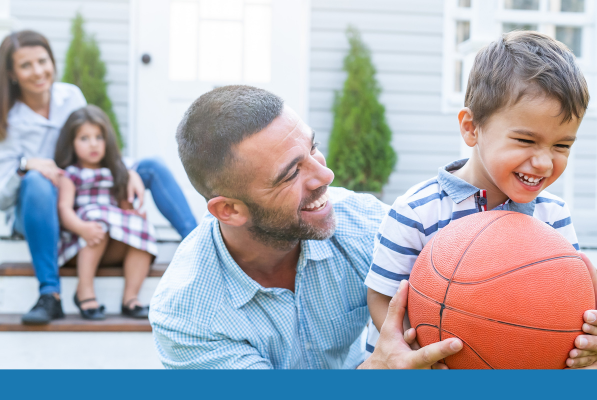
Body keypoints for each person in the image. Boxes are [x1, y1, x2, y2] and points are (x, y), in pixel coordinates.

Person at [149, 85, 597, 369]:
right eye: (290, 174)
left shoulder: (366, 226)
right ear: (229, 210)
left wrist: (567, 339)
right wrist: (376, 375)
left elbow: (483, 289)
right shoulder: (188, 315)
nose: (325, 176)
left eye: (313, 149)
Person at [365, 31, 597, 368]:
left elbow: (567, 301)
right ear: (471, 128)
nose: (545, 162)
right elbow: (383, 295)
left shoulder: (554, 216)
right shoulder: (417, 210)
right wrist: (416, 349)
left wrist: (585, 338)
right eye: (525, 140)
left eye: (562, 146)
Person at [0, 30, 197, 325]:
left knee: (151, 166)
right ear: (12, 73)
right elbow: (1, 198)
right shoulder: (6, 118)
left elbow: (91, 146)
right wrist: (27, 165)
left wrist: (125, 170)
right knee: (38, 182)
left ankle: (200, 248)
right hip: (38, 208)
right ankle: (49, 294)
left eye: (43, 61)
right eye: (26, 65)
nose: (38, 71)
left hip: (84, 194)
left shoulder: (70, 96)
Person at [55, 105, 156, 319]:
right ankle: (84, 290)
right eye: (84, 138)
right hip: (81, 241)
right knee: (96, 221)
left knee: (142, 227)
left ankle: (130, 298)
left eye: (99, 137)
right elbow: (64, 208)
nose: (93, 144)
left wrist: (134, 215)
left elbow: (123, 208)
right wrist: (82, 228)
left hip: (111, 241)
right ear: (71, 143)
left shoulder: (116, 172)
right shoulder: (70, 175)